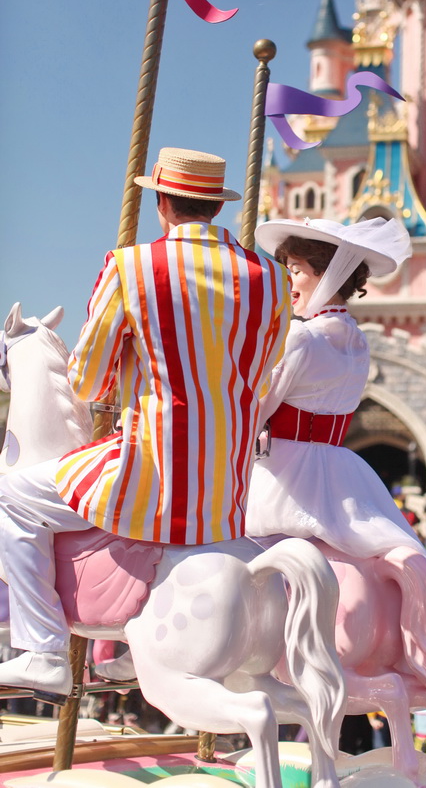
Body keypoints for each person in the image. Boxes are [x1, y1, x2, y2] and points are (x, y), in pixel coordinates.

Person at [0, 147, 291, 703]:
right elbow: (266, 361)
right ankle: (142, 641)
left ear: (162, 203)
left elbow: (85, 380)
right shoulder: (273, 280)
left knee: (13, 496)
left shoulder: (131, 267)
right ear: (214, 205)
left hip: (150, 473)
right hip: (225, 491)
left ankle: (41, 652)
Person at [246, 216, 426, 707]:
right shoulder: (356, 341)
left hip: (284, 474)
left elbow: (255, 407)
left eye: (296, 270)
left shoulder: (301, 339)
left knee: (219, 554)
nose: (289, 281)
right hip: (339, 470)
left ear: (326, 275)